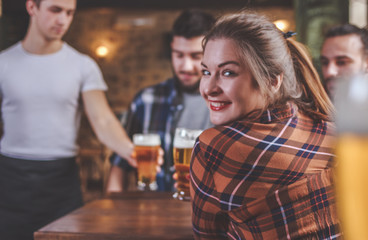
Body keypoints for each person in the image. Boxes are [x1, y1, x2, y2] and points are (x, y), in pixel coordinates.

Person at [190, 11, 342, 239]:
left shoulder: (212, 148)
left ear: (272, 81)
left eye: (228, 73)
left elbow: (207, 235)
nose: (209, 88)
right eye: (206, 72)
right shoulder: (337, 133)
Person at [0, 0, 136, 239]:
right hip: (11, 179)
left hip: (62, 180)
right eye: (55, 10)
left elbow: (102, 120)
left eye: (69, 12)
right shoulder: (4, 63)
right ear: (32, 7)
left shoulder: (83, 66)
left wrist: (131, 151)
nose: (63, 20)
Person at [106, 9, 215, 192]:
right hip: (153, 210)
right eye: (179, 55)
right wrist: (111, 211)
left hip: (210, 213)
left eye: (196, 56)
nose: (186, 66)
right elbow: (120, 165)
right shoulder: (146, 100)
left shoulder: (229, 102)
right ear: (171, 48)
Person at [320, 23, 368, 99]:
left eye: (342, 62)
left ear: (366, 62)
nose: (329, 72)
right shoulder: (313, 106)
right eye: (325, 63)